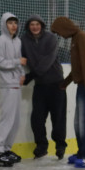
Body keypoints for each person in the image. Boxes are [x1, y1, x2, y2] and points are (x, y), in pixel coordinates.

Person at [51, 16, 85, 168]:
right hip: (83, 84)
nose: (60, 36)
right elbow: (77, 68)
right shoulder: (75, 39)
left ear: (65, 28)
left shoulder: (82, 38)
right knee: (79, 122)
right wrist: (65, 83)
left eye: (59, 32)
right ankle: (82, 152)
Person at [22, 14, 67, 159]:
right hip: (40, 85)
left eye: (37, 24)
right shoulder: (23, 40)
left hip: (56, 84)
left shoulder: (51, 38)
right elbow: (21, 57)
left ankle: (60, 146)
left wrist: (29, 77)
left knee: (58, 117)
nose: (35, 27)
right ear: (28, 27)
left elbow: (47, 61)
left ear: (42, 25)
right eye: (32, 24)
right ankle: (41, 147)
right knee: (37, 118)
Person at [0, 12, 27, 167]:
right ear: (4, 24)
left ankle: (6, 149)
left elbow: (19, 63)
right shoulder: (1, 41)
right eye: (10, 23)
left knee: (16, 121)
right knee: (7, 120)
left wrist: (22, 74)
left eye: (15, 23)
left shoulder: (17, 41)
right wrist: (17, 61)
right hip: (6, 85)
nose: (13, 26)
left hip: (16, 85)